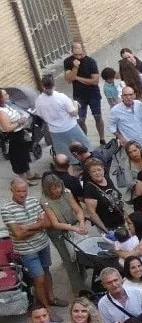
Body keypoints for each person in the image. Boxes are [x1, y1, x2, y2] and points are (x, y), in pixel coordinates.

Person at [5, 178, 60, 309]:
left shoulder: (33, 201)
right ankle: (45, 307)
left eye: (24, 191)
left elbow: (46, 223)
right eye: (18, 191)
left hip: (42, 244)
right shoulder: (7, 209)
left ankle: (51, 298)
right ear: (12, 191)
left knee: (46, 271)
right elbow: (18, 235)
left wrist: (27, 227)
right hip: (27, 250)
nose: (22, 194)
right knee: (39, 277)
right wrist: (38, 226)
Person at [62, 41, 105, 143]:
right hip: (79, 95)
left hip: (93, 94)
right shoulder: (68, 62)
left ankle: (102, 138)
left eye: (79, 49)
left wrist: (76, 77)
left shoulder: (91, 61)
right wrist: (75, 67)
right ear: (72, 51)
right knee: (80, 120)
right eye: (75, 49)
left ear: (82, 49)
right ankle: (85, 140)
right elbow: (69, 80)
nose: (78, 51)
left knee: (98, 116)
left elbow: (95, 81)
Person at [34, 73, 88, 154]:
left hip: (55, 131)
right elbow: (73, 113)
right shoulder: (62, 97)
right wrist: (75, 103)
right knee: (83, 149)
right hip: (70, 127)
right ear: (54, 84)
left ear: (43, 85)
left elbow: (40, 115)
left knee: (64, 153)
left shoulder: (39, 100)